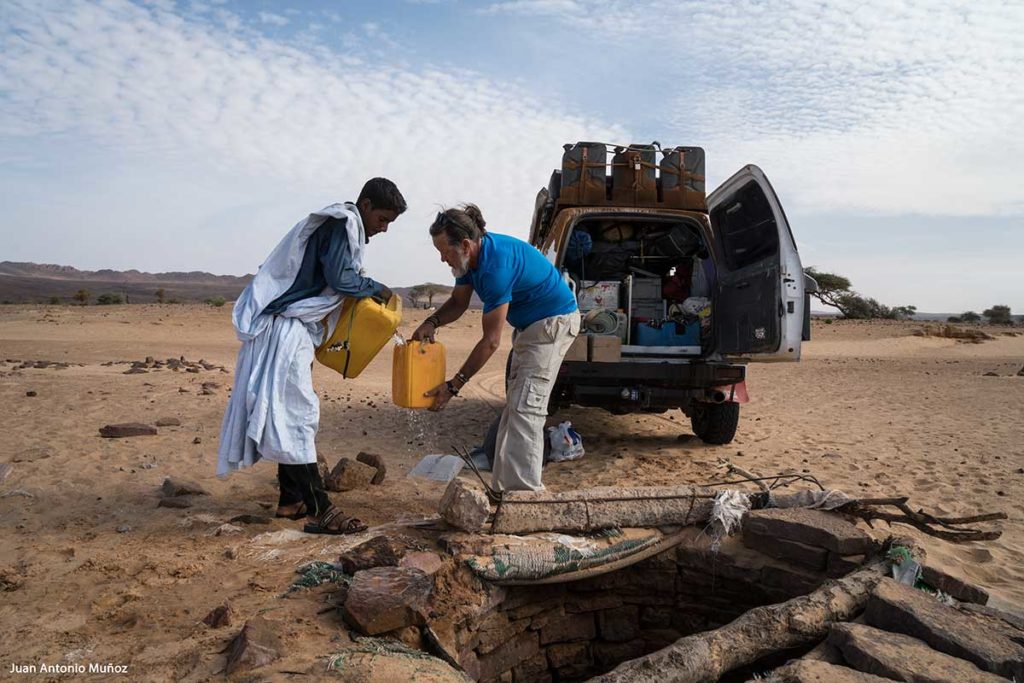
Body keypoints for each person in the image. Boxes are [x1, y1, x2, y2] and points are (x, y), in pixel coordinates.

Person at [217, 178, 406, 534]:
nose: (383, 229)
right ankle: (322, 510)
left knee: (289, 414)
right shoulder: (342, 223)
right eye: (382, 219)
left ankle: (291, 501)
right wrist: (376, 288)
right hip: (285, 329)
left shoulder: (341, 227)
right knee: (299, 415)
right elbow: (340, 278)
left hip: (293, 328)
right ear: (365, 205)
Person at [411, 204, 580, 492]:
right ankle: (505, 490)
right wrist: (432, 321)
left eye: (445, 252)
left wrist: (454, 386)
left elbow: (490, 342)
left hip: (552, 326)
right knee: (517, 409)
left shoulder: (495, 267)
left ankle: (524, 498)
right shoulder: (469, 262)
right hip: (530, 329)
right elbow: (459, 302)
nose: (442, 259)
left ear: (465, 244)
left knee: (527, 410)